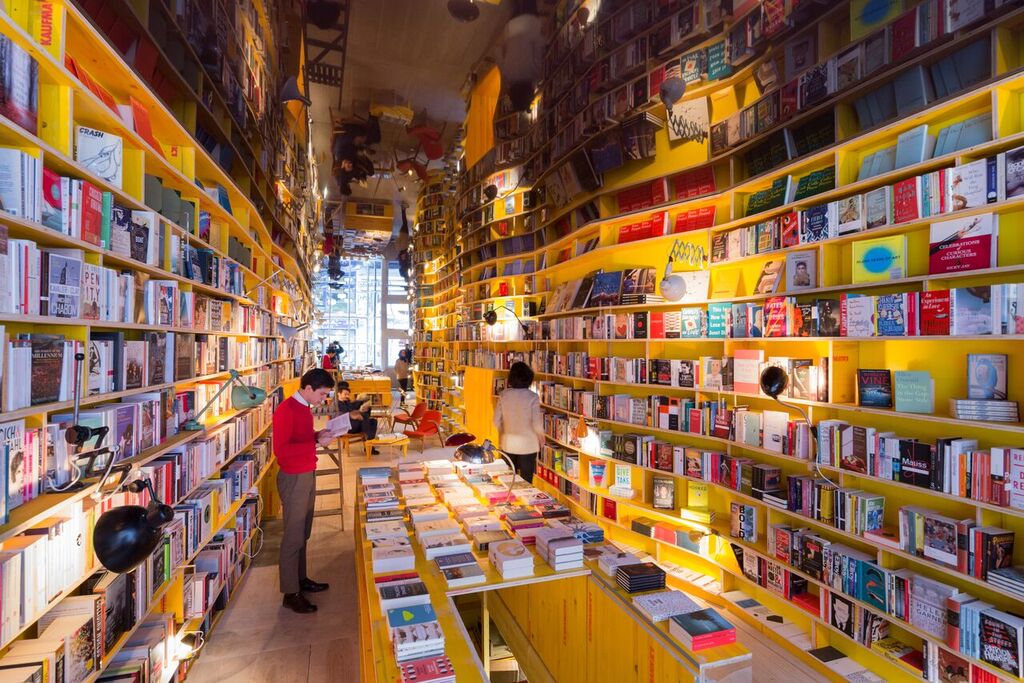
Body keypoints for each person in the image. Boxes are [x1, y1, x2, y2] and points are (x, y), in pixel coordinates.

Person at [273, 368, 362, 613]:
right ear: (308, 388)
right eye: (322, 395)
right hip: (293, 477)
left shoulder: (304, 408)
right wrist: (314, 441)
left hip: (306, 472)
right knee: (293, 535)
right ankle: (290, 593)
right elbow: (281, 451)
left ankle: (300, 580)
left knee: (303, 532)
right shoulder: (286, 410)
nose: (323, 400)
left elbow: (300, 438)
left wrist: (317, 434)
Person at [493, 361, 544, 485]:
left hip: (508, 443)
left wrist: (504, 432)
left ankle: (510, 503)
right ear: (529, 378)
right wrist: (541, 438)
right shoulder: (533, 397)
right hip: (528, 445)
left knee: (509, 480)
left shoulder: (504, 395)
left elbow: (495, 421)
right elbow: (537, 423)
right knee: (526, 482)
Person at [336, 381, 380, 453]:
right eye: (345, 394)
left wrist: (363, 404)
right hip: (345, 426)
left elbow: (353, 408)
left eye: (348, 394)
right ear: (339, 393)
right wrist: (353, 415)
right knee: (365, 417)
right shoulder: (336, 404)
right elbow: (339, 415)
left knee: (373, 421)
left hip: (354, 424)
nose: (347, 396)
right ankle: (368, 443)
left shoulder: (347, 401)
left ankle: (369, 445)